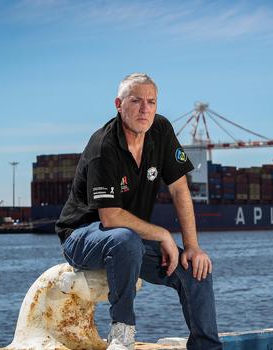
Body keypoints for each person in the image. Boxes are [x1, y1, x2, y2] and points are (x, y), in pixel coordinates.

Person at [55, 73, 222, 350]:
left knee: (195, 269)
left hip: (129, 239)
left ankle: (208, 347)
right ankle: (122, 334)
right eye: (136, 101)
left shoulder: (161, 130)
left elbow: (180, 189)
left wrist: (192, 247)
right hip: (83, 236)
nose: (145, 109)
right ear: (119, 104)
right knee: (124, 238)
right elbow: (109, 217)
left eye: (151, 102)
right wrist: (163, 235)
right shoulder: (103, 146)